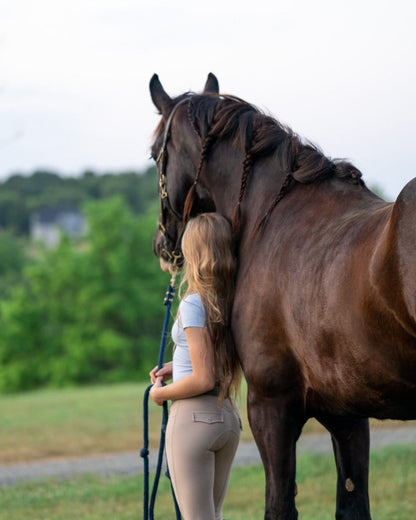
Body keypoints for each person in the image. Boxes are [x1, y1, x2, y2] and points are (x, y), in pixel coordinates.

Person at [149, 212, 242, 520]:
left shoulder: (193, 302)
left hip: (194, 419)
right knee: (214, 515)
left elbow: (202, 378)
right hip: (227, 418)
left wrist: (160, 394)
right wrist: (177, 365)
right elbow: (211, 356)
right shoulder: (232, 298)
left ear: (194, 250)